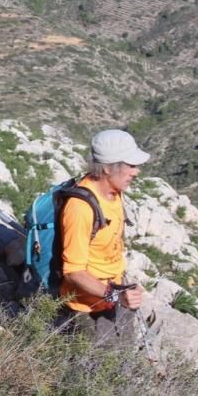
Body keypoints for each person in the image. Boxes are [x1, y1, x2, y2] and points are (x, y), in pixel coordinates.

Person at [56, 129, 148, 344]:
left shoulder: (113, 192)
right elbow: (74, 272)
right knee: (100, 371)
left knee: (122, 361)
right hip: (87, 308)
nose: (137, 172)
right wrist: (116, 295)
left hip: (114, 295)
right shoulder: (80, 208)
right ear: (107, 168)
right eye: (131, 165)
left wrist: (120, 293)